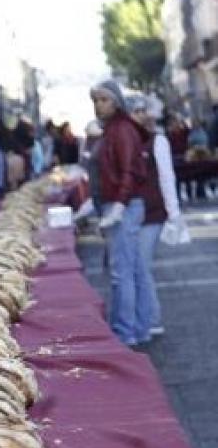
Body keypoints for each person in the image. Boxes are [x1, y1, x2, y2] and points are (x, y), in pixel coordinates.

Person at [90, 78, 152, 348]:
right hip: (123, 203)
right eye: (95, 100)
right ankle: (139, 327)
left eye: (104, 100)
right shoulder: (113, 129)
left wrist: (118, 205)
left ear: (116, 102)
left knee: (122, 273)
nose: (98, 105)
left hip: (122, 205)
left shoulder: (122, 129)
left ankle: (124, 332)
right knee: (133, 269)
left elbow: (130, 170)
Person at [128, 94, 182, 339]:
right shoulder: (128, 140)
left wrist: (174, 214)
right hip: (132, 214)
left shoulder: (157, 141)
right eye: (134, 111)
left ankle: (151, 319)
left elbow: (167, 177)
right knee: (136, 267)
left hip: (152, 213)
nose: (139, 115)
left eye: (142, 110)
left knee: (141, 266)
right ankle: (143, 318)